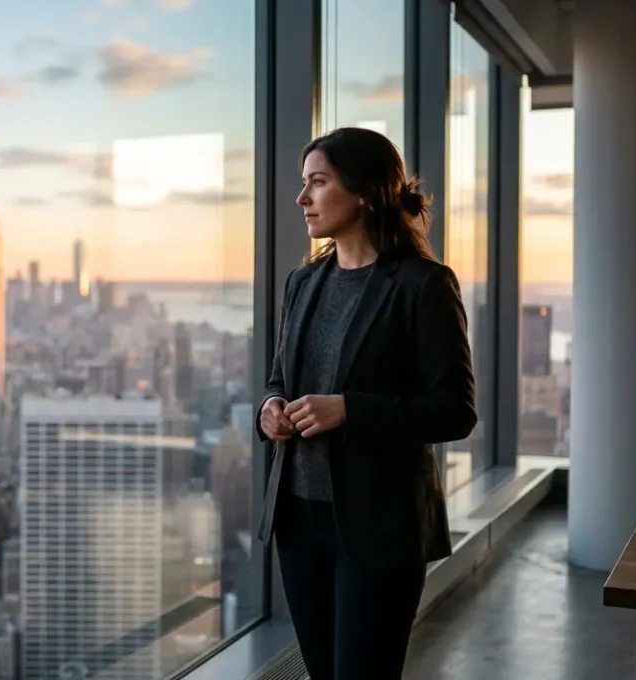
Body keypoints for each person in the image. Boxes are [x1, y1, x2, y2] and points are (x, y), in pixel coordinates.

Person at [253, 126, 477, 679]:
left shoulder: (423, 285)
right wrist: (270, 410)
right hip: (299, 519)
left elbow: (455, 410)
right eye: (304, 184)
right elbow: (278, 379)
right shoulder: (303, 283)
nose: (302, 199)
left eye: (318, 183)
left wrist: (349, 409)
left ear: (364, 192)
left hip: (379, 523)